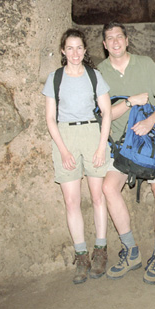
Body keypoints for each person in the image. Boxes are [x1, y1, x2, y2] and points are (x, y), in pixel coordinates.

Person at [98, 22, 155, 285]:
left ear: (127, 40)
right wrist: (130, 101)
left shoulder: (144, 64)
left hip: (152, 139)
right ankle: (131, 251)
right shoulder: (101, 73)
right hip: (122, 143)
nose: (115, 41)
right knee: (109, 189)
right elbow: (105, 115)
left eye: (119, 36)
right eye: (110, 38)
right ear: (105, 45)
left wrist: (151, 120)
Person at [42, 28, 112, 284]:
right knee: (71, 201)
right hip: (65, 137)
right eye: (69, 48)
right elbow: (50, 118)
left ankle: (101, 250)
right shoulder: (55, 78)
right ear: (63, 51)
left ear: (85, 50)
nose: (74, 53)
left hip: (92, 134)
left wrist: (101, 145)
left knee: (97, 196)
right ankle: (81, 254)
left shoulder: (95, 76)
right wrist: (63, 149)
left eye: (79, 48)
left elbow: (106, 112)